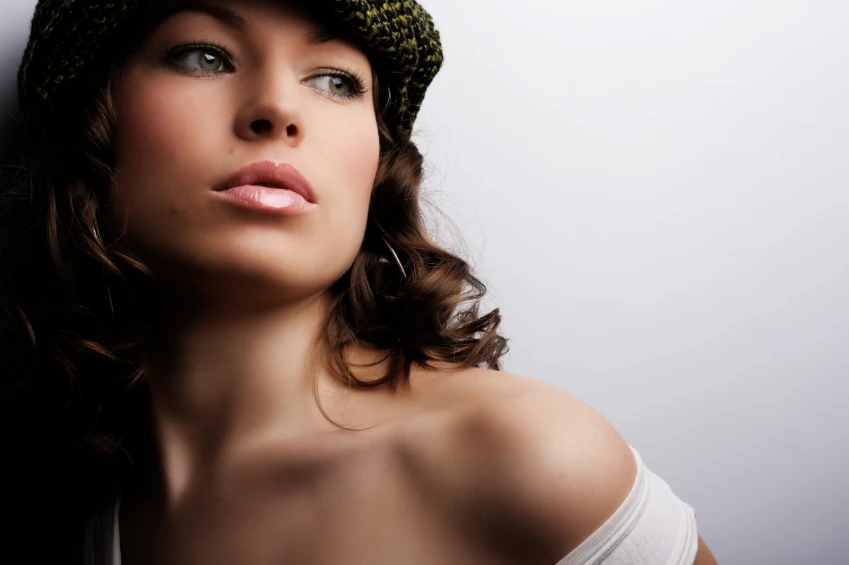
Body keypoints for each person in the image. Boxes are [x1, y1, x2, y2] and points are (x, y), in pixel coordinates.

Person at [1, 0, 718, 563]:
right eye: (204, 56)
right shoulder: (84, 518)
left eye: (335, 80)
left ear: (379, 166)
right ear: (88, 124)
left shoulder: (529, 457)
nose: (279, 109)